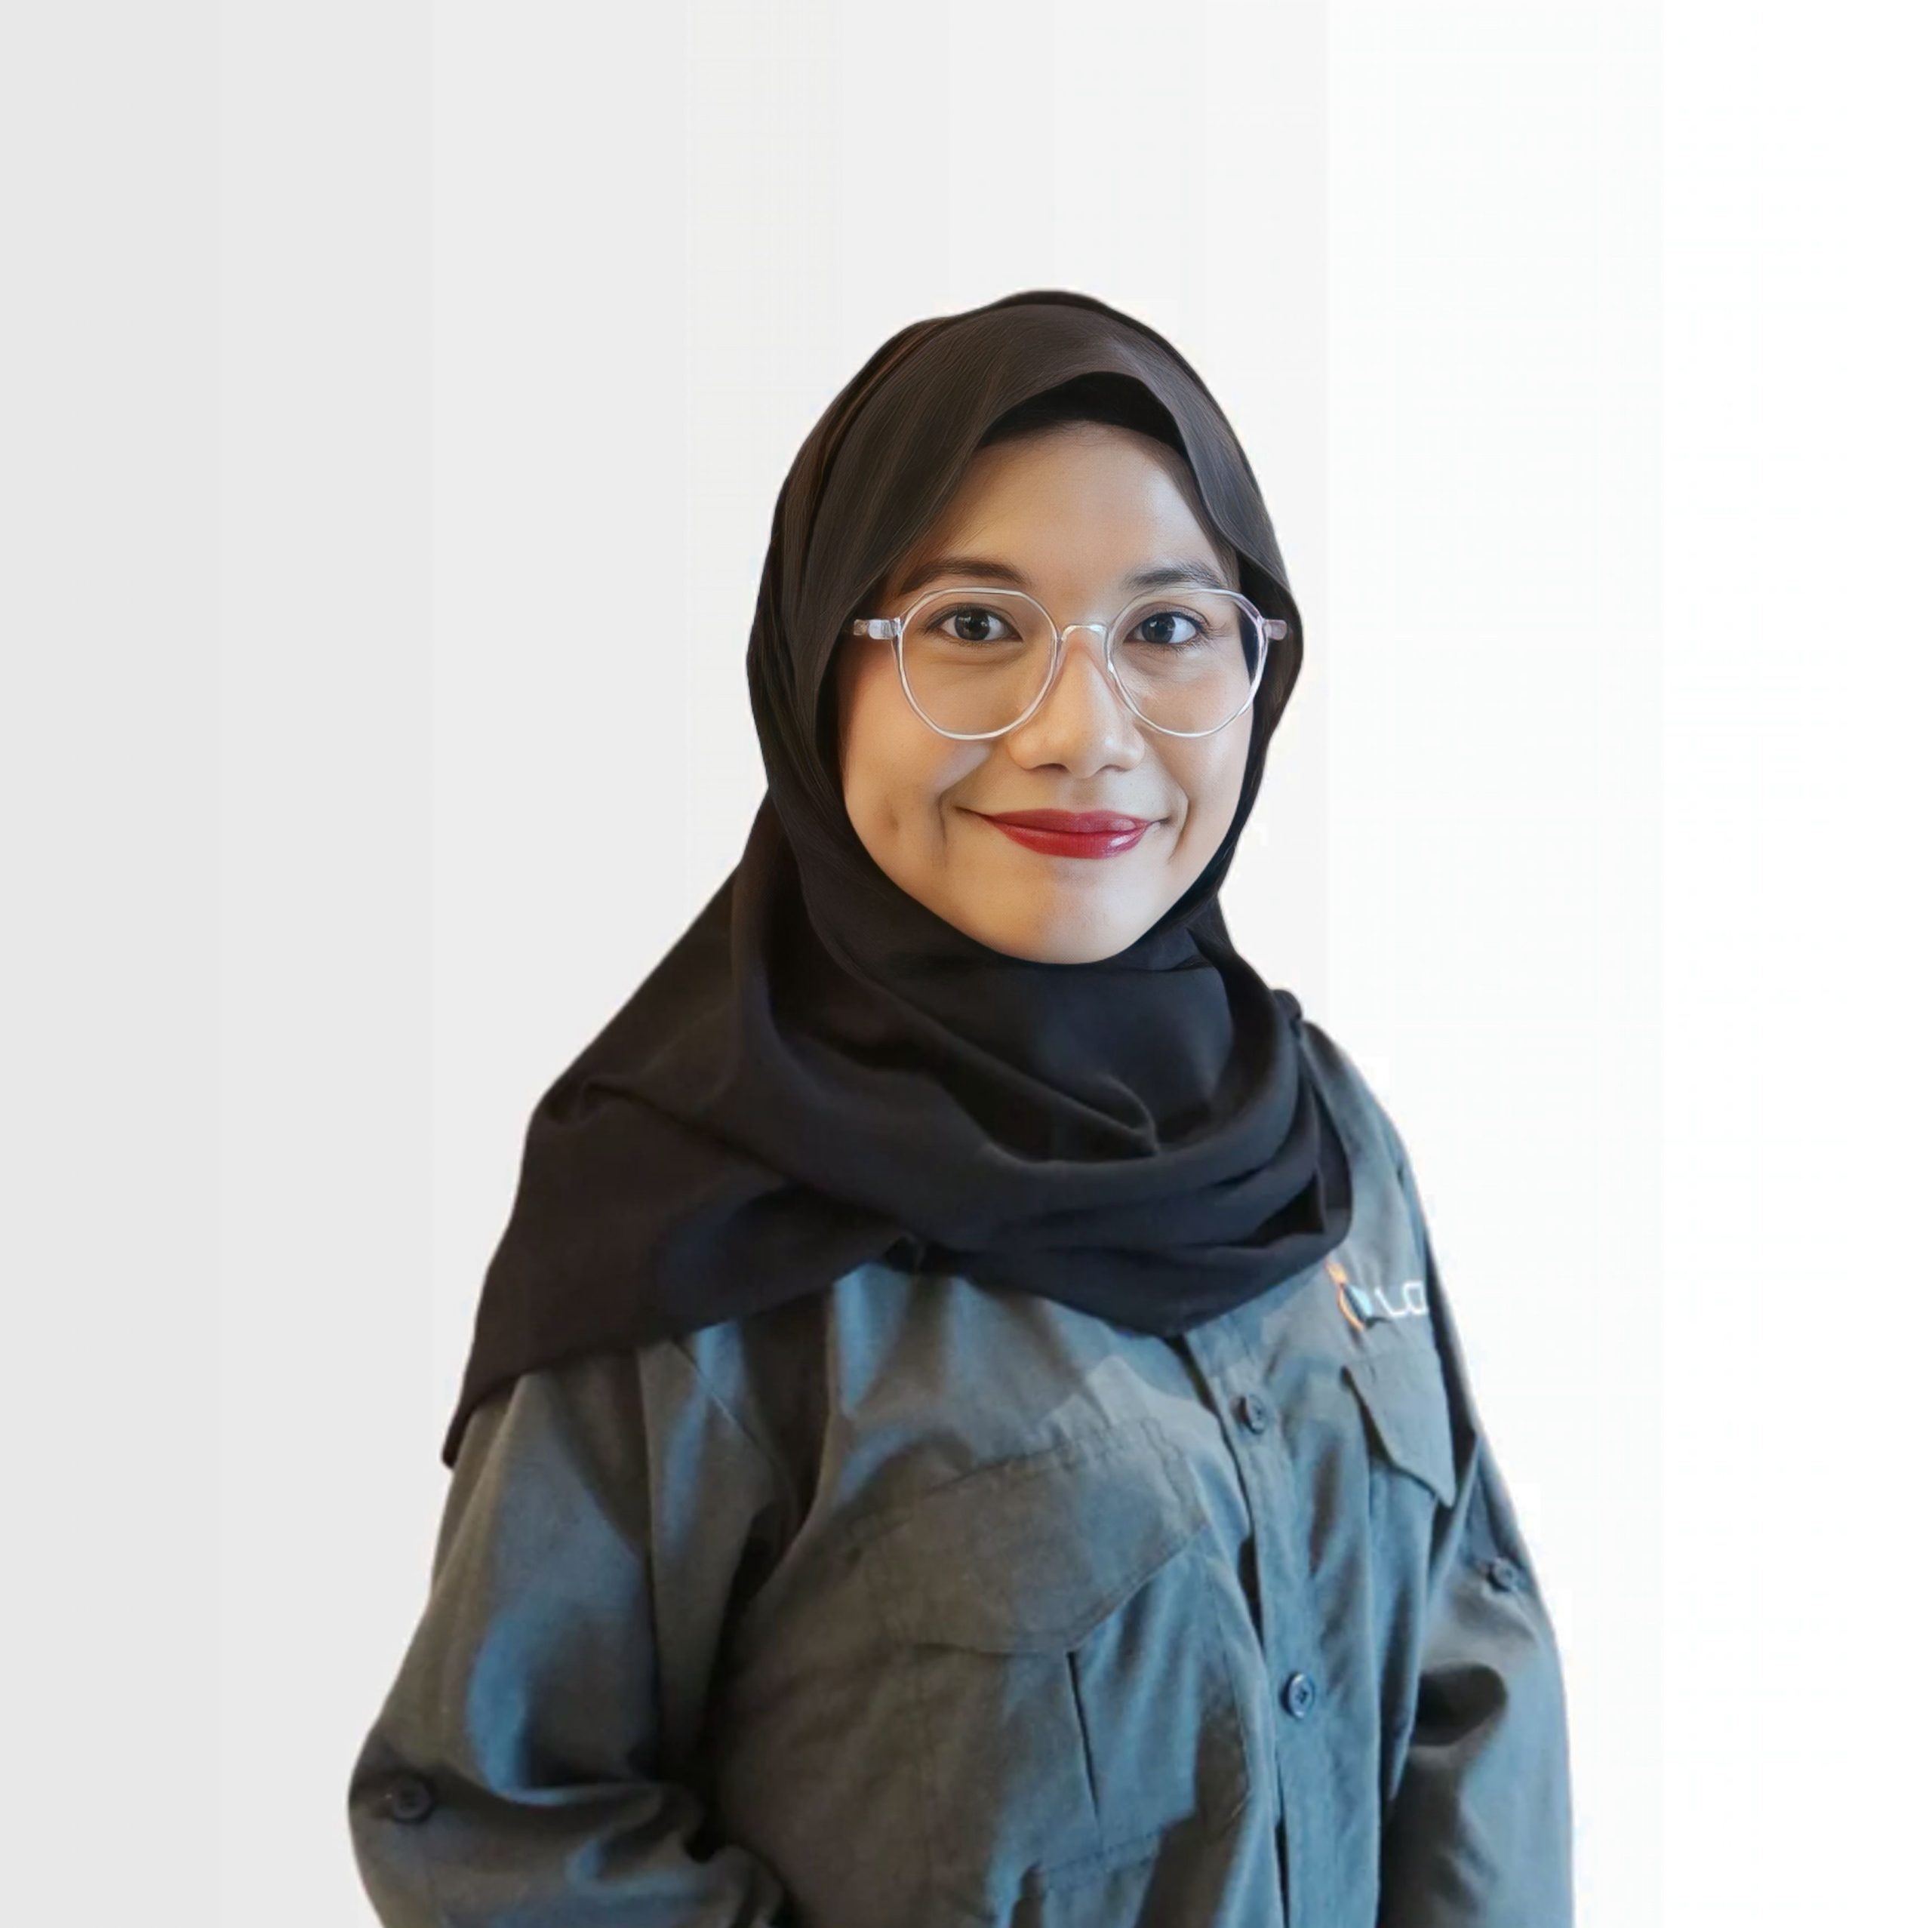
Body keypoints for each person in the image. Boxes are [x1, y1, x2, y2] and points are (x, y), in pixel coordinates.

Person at [346, 289, 1574, 1927]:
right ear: (820, 669)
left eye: (1166, 628)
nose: (1082, 733)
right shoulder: (692, 1217)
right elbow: (501, 1822)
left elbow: (1471, 1683)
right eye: (976, 625)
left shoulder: (1319, 1144)